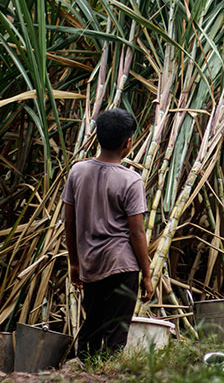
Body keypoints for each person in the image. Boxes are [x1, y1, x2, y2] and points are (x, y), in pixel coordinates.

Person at [61, 108, 154, 361]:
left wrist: (74, 262)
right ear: (128, 143)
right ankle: (108, 380)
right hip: (121, 266)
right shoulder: (131, 180)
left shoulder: (77, 172)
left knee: (92, 325)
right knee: (116, 332)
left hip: (91, 265)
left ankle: (83, 376)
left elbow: (69, 221)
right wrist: (146, 275)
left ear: (97, 137)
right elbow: (137, 232)